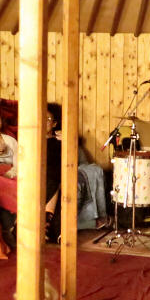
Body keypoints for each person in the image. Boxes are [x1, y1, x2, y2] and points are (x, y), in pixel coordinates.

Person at [44, 102, 109, 241]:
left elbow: (81, 162)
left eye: (48, 119)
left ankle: (49, 225)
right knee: (55, 179)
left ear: (54, 124)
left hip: (60, 174)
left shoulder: (61, 140)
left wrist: (69, 142)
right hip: (44, 175)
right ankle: (55, 229)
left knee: (60, 180)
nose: (44, 121)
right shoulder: (31, 141)